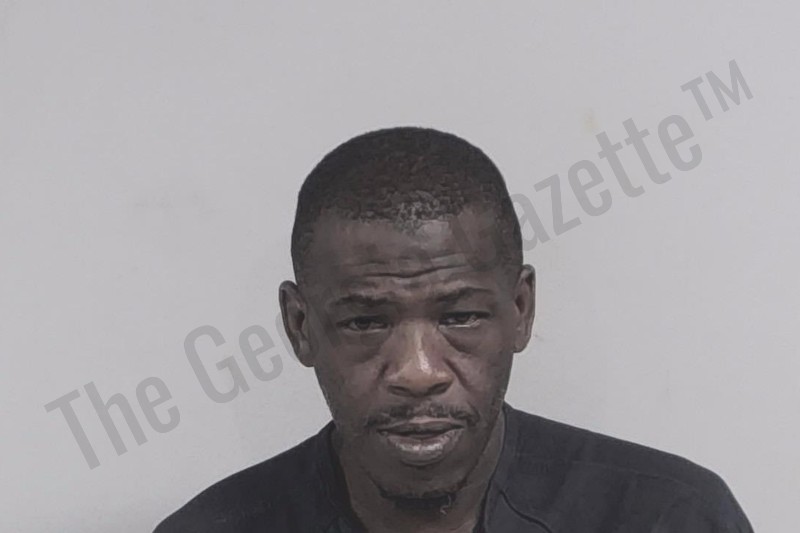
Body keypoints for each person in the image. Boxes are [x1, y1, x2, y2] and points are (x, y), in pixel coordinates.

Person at [155, 127, 752, 532]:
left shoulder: (669, 517)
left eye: (460, 316)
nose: (417, 372)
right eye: (365, 321)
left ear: (520, 310)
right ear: (300, 326)